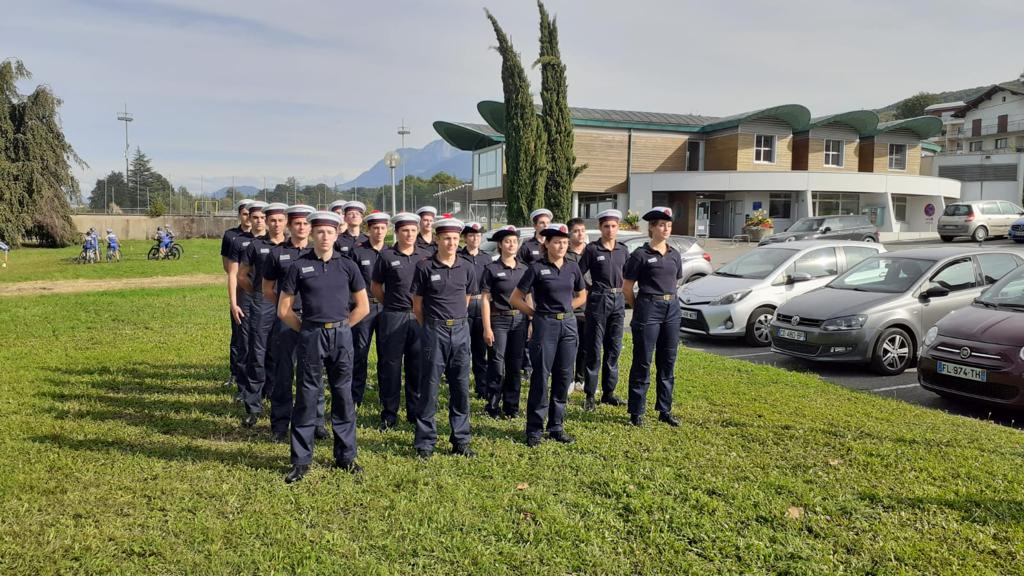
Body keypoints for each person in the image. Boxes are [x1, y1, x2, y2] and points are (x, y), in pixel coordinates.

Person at [278, 211, 369, 483]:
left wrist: (342, 328)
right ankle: (301, 461)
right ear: (312, 233)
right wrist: (307, 330)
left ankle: (346, 457)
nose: (325, 237)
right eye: (319, 232)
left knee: (343, 396)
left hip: (341, 336)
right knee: (307, 396)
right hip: (311, 335)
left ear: (336, 234)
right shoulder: (299, 266)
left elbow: (363, 306)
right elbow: (284, 310)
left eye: (329, 232)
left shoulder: (348, 266)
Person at [510, 223, 587, 448]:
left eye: (564, 242)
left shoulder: (573, 267)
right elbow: (515, 298)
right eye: (557, 242)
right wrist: (535, 314)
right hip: (546, 326)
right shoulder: (536, 268)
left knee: (563, 376)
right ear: (547, 244)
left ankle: (556, 427)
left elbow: (582, 295)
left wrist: (568, 308)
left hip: (568, 326)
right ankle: (534, 429)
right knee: (541, 377)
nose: (562, 246)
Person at [412, 217, 476, 458]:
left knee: (460, 387)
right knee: (429, 387)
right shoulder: (425, 267)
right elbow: (417, 305)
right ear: (437, 239)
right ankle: (425, 442)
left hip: (460, 330)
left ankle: (461, 440)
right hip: (434, 331)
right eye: (446, 238)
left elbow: (466, 300)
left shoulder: (467, 267)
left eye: (455, 238)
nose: (451, 243)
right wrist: (432, 327)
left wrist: (455, 322)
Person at [263, 204, 327, 444]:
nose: (301, 227)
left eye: (305, 223)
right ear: (289, 226)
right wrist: (285, 308)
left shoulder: (318, 252)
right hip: (287, 320)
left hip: (314, 320)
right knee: (283, 372)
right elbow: (267, 289)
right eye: (297, 223)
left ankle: (317, 422)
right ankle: (280, 424)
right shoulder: (277, 254)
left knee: (314, 372)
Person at [371, 212, 432, 430]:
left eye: (413, 230)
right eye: (405, 230)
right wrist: (390, 304)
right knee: (391, 366)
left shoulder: (426, 256)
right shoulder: (387, 256)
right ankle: (389, 414)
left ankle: (414, 412)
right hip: (393, 316)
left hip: (418, 317)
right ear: (397, 232)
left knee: (417, 366)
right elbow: (376, 287)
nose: (410, 234)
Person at [623, 207, 683, 428]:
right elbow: (627, 287)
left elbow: (676, 281)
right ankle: (636, 411)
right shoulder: (640, 255)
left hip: (672, 308)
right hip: (648, 307)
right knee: (643, 360)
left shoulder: (674, 254)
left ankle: (664, 410)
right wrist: (639, 307)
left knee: (668, 360)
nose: (666, 229)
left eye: (669, 225)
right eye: (661, 225)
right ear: (652, 228)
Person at [238, 202, 289, 427]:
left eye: (280, 220)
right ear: (266, 222)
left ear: (286, 222)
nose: (276, 224)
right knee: (257, 353)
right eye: (272, 221)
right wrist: (256, 294)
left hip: (286, 303)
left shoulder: (292, 247)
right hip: (262, 302)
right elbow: (242, 276)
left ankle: (275, 395)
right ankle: (253, 405)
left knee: (281, 353)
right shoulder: (256, 246)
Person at [579, 209, 629, 412]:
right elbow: (578, 274)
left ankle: (609, 393)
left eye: (614, 226)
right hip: (598, 300)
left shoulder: (623, 250)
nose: (610, 230)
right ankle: (590, 395)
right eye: (606, 226)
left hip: (618, 300)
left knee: (614, 348)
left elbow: (629, 275)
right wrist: (590, 289)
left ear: (618, 228)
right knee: (594, 348)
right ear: (600, 228)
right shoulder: (592, 249)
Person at [480, 226, 528, 418]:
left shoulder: (524, 269)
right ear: (500, 245)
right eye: (507, 242)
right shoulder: (492, 269)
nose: (511, 245)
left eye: (514, 242)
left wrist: (531, 320)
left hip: (519, 320)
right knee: (497, 364)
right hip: (498, 320)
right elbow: (485, 299)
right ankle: (492, 405)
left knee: (515, 364)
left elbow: (528, 296)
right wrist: (487, 327)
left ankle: (512, 406)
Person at [226, 201, 266, 402]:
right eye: (255, 217)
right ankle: (243, 388)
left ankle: (265, 388)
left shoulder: (275, 242)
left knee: (265, 345)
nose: (259, 221)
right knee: (245, 343)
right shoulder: (239, 241)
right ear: (249, 219)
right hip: (246, 298)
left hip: (269, 299)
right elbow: (233, 274)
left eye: (262, 217)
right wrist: (234, 303)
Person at [349, 210, 389, 407]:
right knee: (360, 352)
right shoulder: (357, 251)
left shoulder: (391, 252)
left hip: (387, 307)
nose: (379, 232)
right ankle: (355, 397)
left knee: (386, 354)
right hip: (364, 308)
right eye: (375, 228)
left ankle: (385, 396)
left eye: (382, 228)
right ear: (368, 229)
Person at [222, 199, 254, 389]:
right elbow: (228, 265)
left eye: (251, 214)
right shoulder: (231, 236)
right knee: (238, 335)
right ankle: (235, 373)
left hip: (261, 292)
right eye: (245, 214)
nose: (248, 218)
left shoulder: (263, 236)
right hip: (240, 289)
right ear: (240, 215)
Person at [458, 222, 491, 398]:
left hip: (482, 305)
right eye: (471, 235)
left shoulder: (487, 258)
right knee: (462, 349)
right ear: (465, 238)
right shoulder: (458, 257)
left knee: (480, 350)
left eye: (478, 235)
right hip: (464, 305)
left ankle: (482, 388)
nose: (475, 238)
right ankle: (459, 385)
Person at [564, 218, 589, 393]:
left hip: (589, 308)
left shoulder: (591, 252)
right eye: (576, 231)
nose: (580, 234)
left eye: (582, 230)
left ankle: (581, 378)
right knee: (570, 346)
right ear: (569, 234)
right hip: (570, 306)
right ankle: (569, 379)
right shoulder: (564, 255)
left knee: (586, 346)